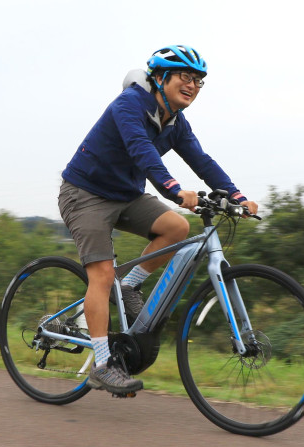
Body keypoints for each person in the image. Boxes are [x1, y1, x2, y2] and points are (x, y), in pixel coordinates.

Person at [58, 45, 258, 395]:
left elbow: (202, 160)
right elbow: (141, 149)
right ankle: (103, 366)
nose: (193, 85)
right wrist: (174, 190)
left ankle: (130, 285)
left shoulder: (176, 123)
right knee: (102, 274)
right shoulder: (129, 105)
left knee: (177, 228)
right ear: (161, 77)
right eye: (185, 76)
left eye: (199, 80)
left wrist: (236, 195)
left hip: (125, 196)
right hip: (85, 193)